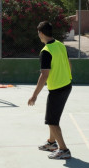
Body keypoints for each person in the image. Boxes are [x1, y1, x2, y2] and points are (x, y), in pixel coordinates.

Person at [28, 21, 72, 159]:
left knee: (52, 121)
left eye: (38, 32)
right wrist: (67, 77)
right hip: (66, 85)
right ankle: (52, 143)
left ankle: (64, 150)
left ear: (41, 33)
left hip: (58, 89)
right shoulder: (60, 45)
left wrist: (34, 95)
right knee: (53, 117)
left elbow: (44, 75)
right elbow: (69, 63)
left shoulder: (46, 51)